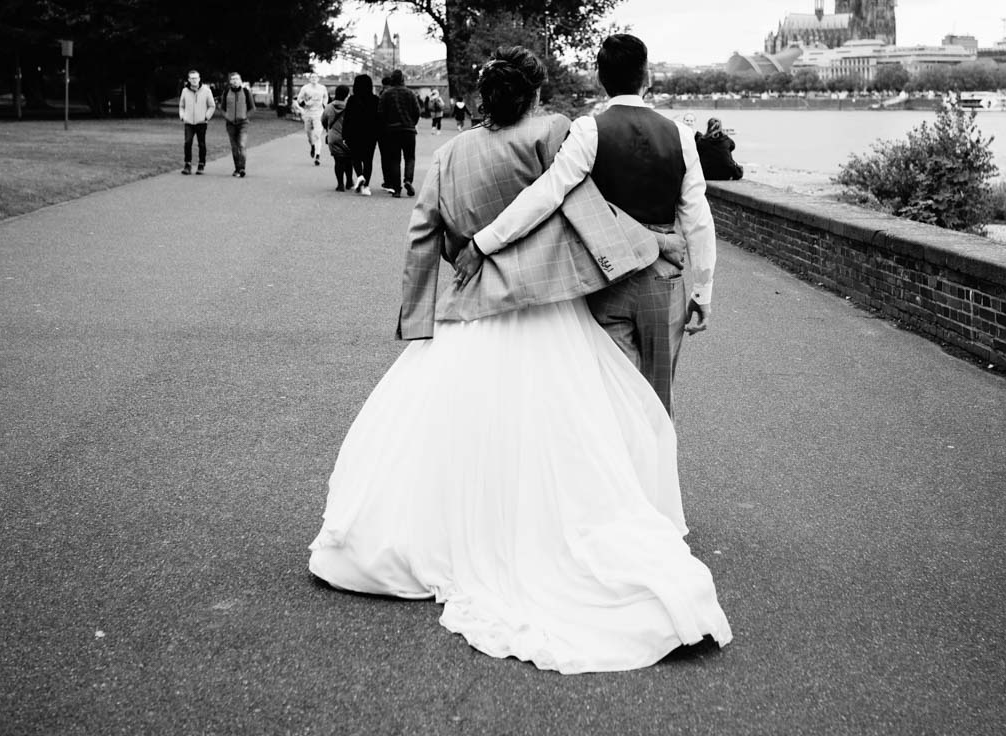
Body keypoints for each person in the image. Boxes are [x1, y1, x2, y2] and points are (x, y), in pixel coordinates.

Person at [308, 46, 731, 673]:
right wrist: (659, 245)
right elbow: (583, 210)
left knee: (461, 421)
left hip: (470, 304)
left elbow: (424, 232)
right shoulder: (552, 133)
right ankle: (558, 525)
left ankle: (458, 532)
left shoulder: (450, 154)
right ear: (534, 95)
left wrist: (422, 312)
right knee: (565, 421)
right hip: (545, 303)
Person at [457, 33, 715, 414]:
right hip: (664, 279)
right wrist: (703, 289)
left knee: (611, 398)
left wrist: (483, 243)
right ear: (647, 78)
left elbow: (546, 196)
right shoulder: (680, 136)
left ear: (599, 78)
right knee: (658, 401)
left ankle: (616, 470)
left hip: (606, 276)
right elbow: (698, 219)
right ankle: (653, 469)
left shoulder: (589, 131)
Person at [376, 69, 421, 198]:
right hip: (408, 130)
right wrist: (412, 123)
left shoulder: (386, 94)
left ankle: (396, 189)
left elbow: (380, 113)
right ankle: (408, 180)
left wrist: (387, 125)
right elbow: (417, 112)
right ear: (403, 79)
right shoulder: (410, 93)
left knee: (394, 159)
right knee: (410, 157)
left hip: (392, 131)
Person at [342, 73, 379, 196]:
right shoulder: (375, 100)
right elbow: (379, 118)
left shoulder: (352, 100)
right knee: (368, 160)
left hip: (354, 133)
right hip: (371, 133)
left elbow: (346, 118)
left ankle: (359, 176)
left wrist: (344, 135)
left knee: (356, 157)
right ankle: (366, 186)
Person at [178, 70, 215, 175]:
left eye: (196, 78)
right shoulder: (185, 91)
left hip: (201, 122)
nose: (194, 80)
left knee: (201, 144)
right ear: (189, 80)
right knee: (187, 142)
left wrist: (206, 116)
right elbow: (181, 105)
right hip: (188, 122)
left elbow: (212, 106)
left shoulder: (206, 91)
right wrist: (182, 116)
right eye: (192, 78)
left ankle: (201, 164)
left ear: (199, 78)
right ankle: (187, 164)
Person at [220, 72, 255, 178]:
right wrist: (226, 116)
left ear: (240, 81)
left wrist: (245, 116)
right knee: (234, 147)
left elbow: (252, 108)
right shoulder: (226, 92)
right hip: (230, 124)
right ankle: (237, 168)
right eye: (233, 79)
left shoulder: (246, 92)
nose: (235, 81)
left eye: (237, 79)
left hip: (243, 123)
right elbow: (222, 108)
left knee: (242, 145)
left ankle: (242, 168)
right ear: (230, 81)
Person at [322, 84, 352, 191]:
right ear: (347, 94)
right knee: (349, 160)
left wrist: (328, 130)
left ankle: (340, 184)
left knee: (338, 161)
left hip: (333, 137)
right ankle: (349, 181)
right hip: (348, 137)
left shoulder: (329, 107)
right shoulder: (350, 106)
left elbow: (324, 121)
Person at [695, 116, 745, 181]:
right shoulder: (726, 140)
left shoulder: (701, 141)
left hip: (705, 174)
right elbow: (732, 146)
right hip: (725, 174)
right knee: (738, 167)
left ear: (708, 126)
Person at [295, 72, 329, 165]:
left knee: (317, 135)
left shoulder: (322, 88)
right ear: (309, 79)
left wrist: (324, 105)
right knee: (309, 135)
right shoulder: (305, 88)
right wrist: (304, 104)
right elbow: (299, 99)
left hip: (318, 113)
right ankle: (312, 146)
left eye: (315, 77)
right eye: (312, 77)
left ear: (318, 78)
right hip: (308, 113)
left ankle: (317, 156)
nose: (314, 78)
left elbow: (326, 97)